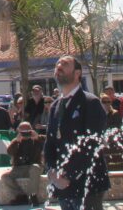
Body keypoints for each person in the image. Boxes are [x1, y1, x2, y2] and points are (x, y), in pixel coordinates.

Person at [44, 55, 109, 210]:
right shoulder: (54, 107)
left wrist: (68, 175)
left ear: (77, 73)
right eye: (57, 64)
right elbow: (50, 143)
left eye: (65, 64)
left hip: (88, 183)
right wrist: (52, 171)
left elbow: (92, 143)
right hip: (63, 186)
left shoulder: (90, 102)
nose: (59, 66)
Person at [1, 121, 46, 204]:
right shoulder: (16, 141)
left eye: (27, 131)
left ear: (31, 130)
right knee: (5, 177)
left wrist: (38, 137)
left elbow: (50, 140)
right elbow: (9, 152)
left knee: (35, 167)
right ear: (19, 131)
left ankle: (33, 196)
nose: (26, 134)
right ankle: (21, 196)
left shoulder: (38, 139)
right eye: (23, 131)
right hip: (19, 167)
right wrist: (16, 141)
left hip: (35, 166)